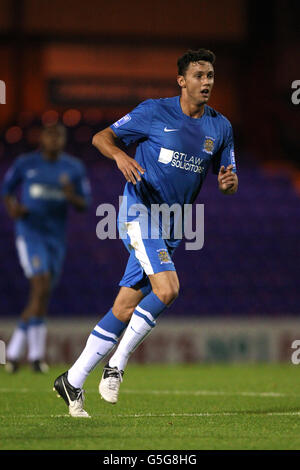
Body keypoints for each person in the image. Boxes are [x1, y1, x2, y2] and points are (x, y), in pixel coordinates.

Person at [53, 48, 238, 418]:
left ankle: (72, 380)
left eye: (211, 76)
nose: (207, 82)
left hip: (172, 224)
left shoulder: (220, 127)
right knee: (168, 289)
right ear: (182, 80)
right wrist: (120, 155)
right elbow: (101, 138)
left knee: (124, 306)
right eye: (199, 76)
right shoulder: (154, 111)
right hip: (139, 212)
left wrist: (228, 182)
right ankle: (116, 366)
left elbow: (228, 178)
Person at [2, 123, 91, 373]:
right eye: (50, 134)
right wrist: (12, 208)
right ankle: (37, 358)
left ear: (63, 140)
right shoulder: (25, 163)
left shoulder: (73, 168)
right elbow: (6, 191)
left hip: (56, 238)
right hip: (30, 234)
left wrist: (70, 195)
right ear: (41, 137)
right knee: (40, 286)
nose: (54, 139)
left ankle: (14, 353)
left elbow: (84, 203)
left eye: (59, 136)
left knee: (42, 294)